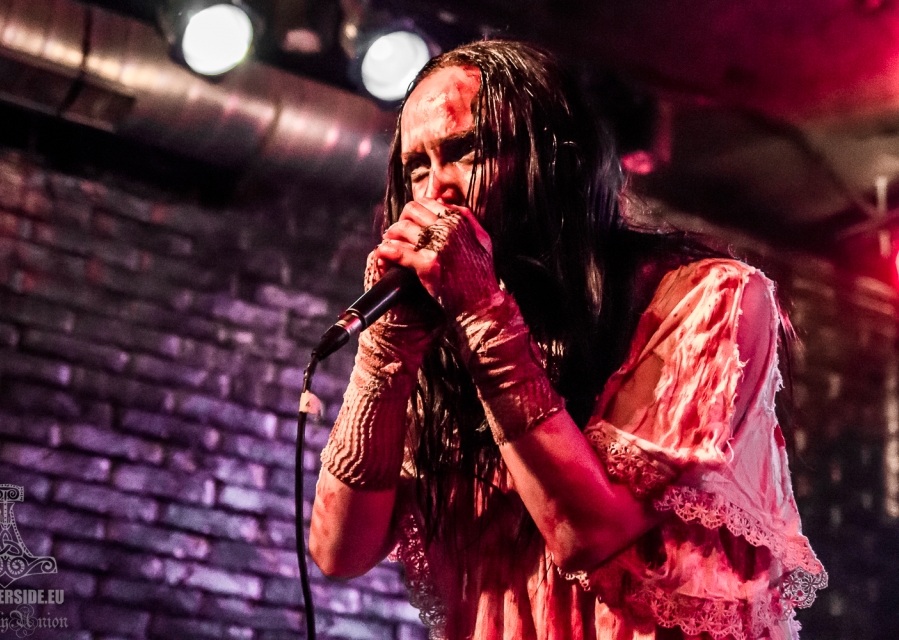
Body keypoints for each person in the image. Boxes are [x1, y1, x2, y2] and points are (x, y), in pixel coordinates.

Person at [309, 40, 826, 640]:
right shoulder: (447, 347)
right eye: (416, 168)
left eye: (464, 151)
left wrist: (483, 314)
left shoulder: (708, 298)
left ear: (556, 164)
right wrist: (384, 353)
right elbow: (338, 551)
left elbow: (588, 535)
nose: (433, 193)